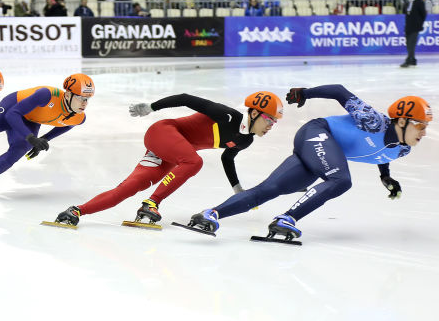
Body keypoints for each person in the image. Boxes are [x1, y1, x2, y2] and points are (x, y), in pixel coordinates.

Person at [185, 85, 432, 240]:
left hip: (322, 150)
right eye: (420, 125)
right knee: (340, 179)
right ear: (401, 121)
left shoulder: (402, 151)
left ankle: (211, 214)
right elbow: (339, 91)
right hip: (317, 132)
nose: (424, 132)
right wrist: (304, 93)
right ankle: (287, 219)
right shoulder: (373, 120)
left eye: (427, 126)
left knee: (270, 188)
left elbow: (382, 154)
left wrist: (385, 177)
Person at [52, 91, 284, 227]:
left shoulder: (247, 140)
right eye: (270, 120)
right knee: (195, 162)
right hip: (163, 132)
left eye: (275, 123)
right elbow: (185, 98)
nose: (271, 127)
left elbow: (227, 158)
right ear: (254, 113)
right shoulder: (228, 116)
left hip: (174, 154)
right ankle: (151, 204)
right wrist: (151, 107)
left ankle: (76, 212)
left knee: (128, 187)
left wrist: (237, 189)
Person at [401, 0, 427, 68]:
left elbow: (423, 14)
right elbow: (405, 13)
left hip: (415, 27)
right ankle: (413, 60)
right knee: (408, 44)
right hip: (408, 27)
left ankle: (408, 61)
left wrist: (420, 24)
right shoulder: (407, 3)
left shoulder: (419, 2)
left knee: (411, 44)